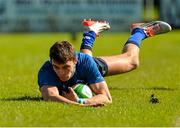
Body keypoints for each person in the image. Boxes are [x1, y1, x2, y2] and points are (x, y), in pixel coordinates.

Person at [38, 19, 171, 107]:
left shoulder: (85, 63)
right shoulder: (47, 70)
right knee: (86, 62)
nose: (61, 72)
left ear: (74, 61)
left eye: (65, 67)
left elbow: (106, 98)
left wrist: (80, 101)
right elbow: (50, 96)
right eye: (57, 67)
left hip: (87, 65)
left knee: (132, 61)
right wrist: (78, 104)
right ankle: (91, 33)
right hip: (83, 65)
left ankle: (139, 31)